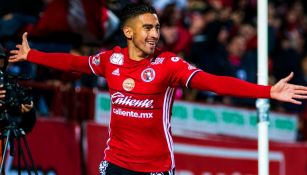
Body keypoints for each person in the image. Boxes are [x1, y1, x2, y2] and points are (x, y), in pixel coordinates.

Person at [8, 3, 307, 175]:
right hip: (115, 163)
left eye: (157, 28)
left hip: (155, 168)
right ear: (128, 32)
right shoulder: (110, 60)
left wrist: (267, 92)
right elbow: (76, 63)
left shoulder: (169, 65)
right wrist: (32, 55)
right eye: (147, 28)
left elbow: (214, 82)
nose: (154, 34)